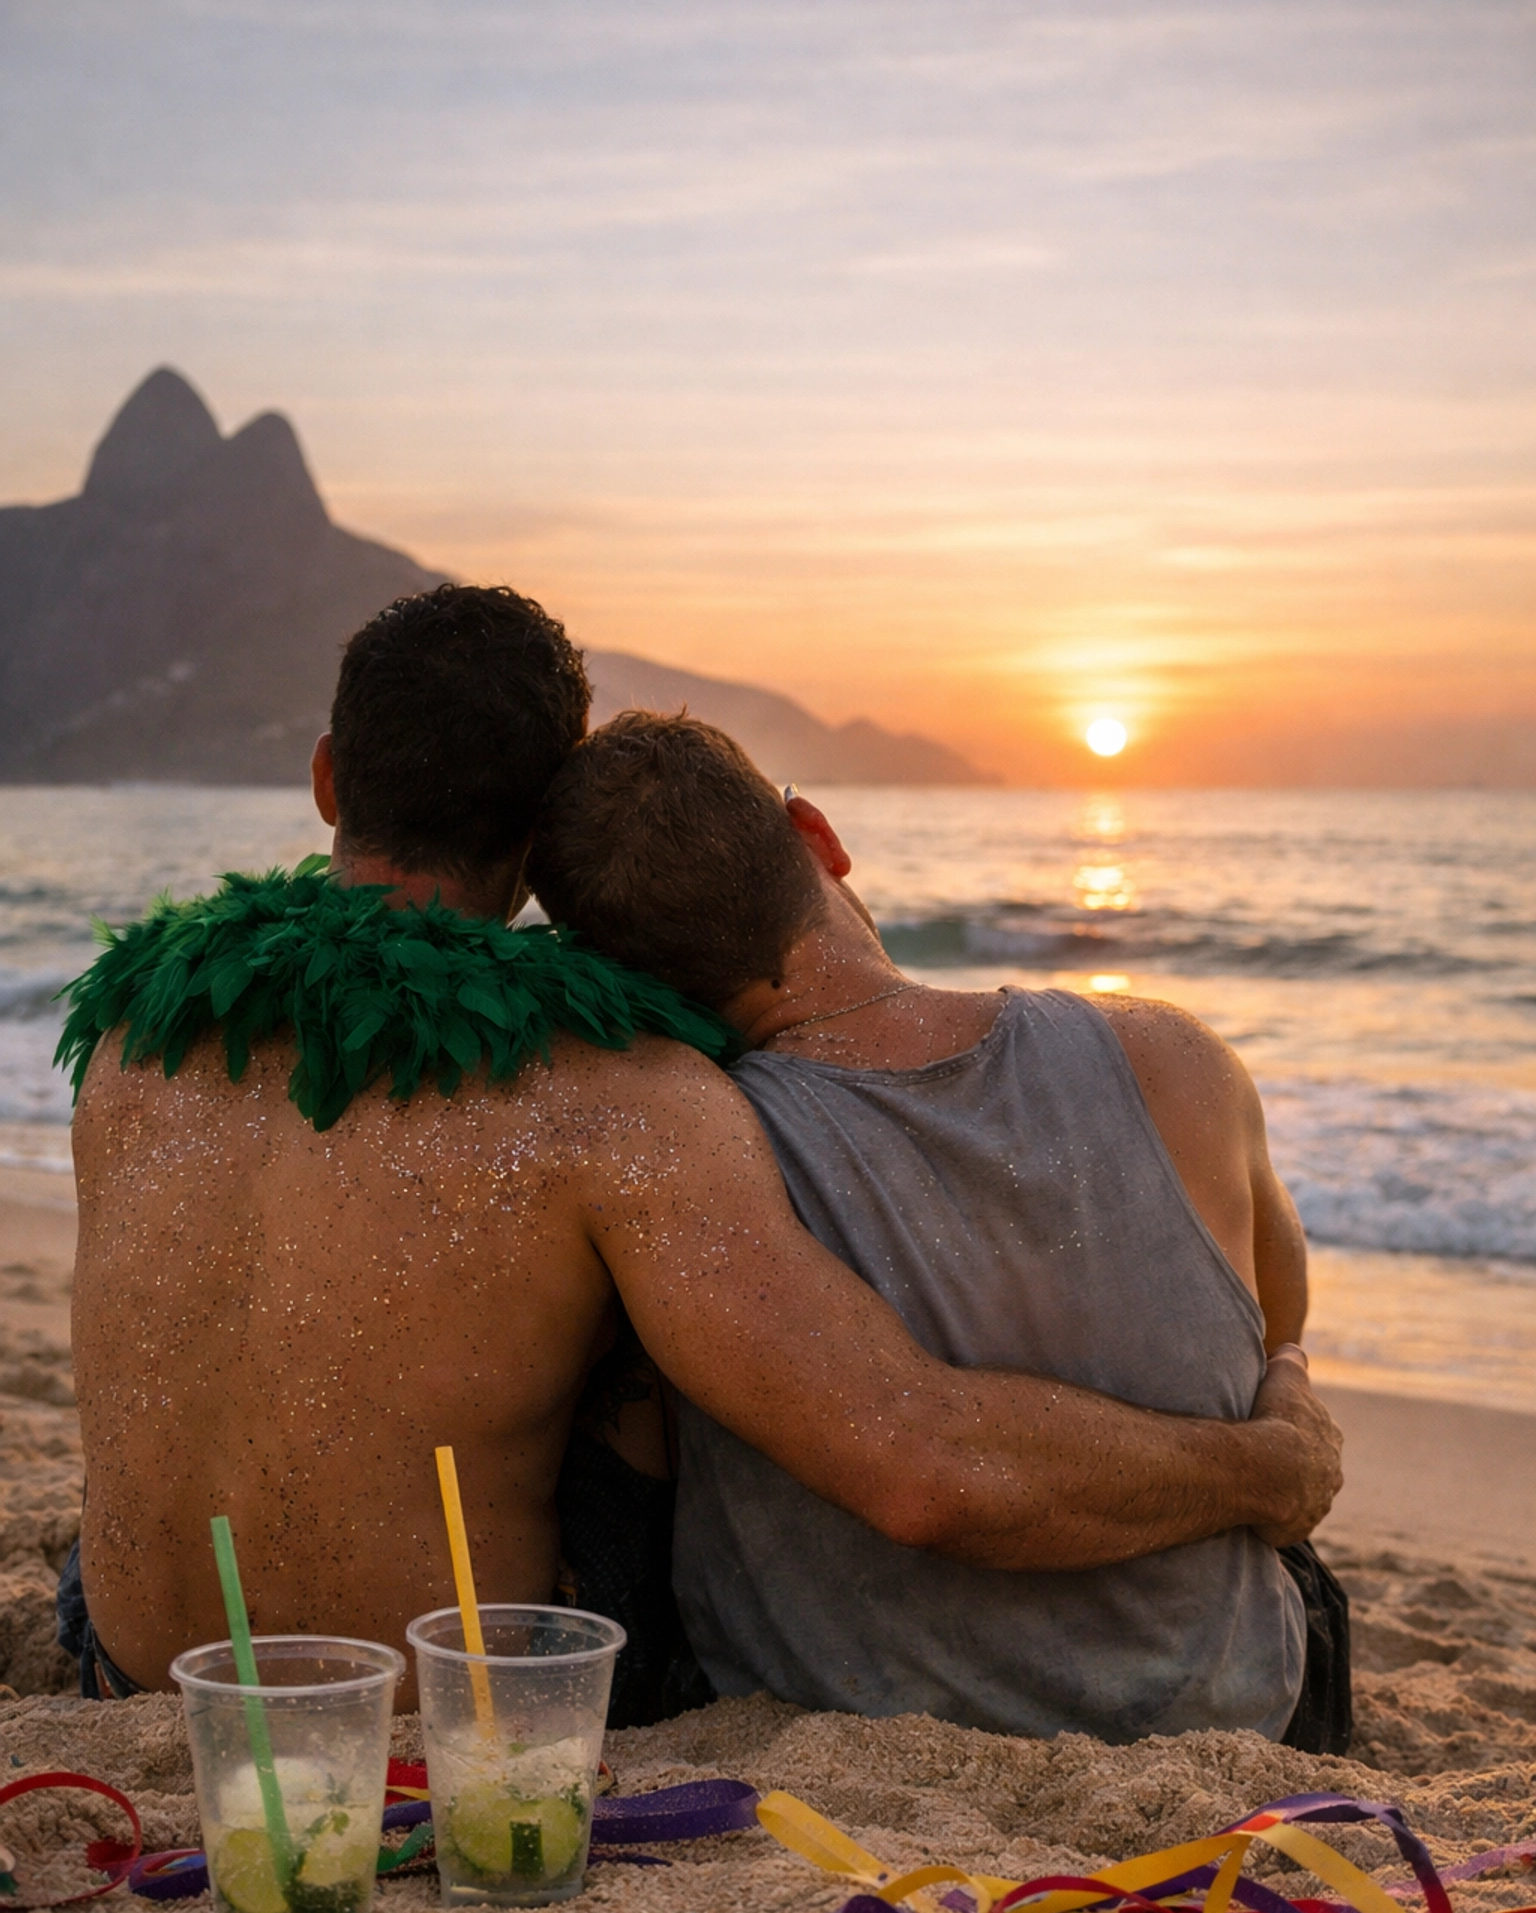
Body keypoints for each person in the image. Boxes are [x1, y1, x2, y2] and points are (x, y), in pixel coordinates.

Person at [57, 587, 1340, 1717]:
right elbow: (922, 1463)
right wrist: (1263, 1467)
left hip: (132, 1669)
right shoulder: (612, 1097)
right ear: (537, 835)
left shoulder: (132, 1030)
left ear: (332, 779)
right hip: (436, 1703)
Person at [527, 712, 1352, 1752]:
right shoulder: (1174, 1057)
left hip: (843, 1719)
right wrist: (1268, 1445)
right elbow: (1276, 1322)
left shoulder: (684, 1158)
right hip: (1232, 1712)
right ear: (817, 834)